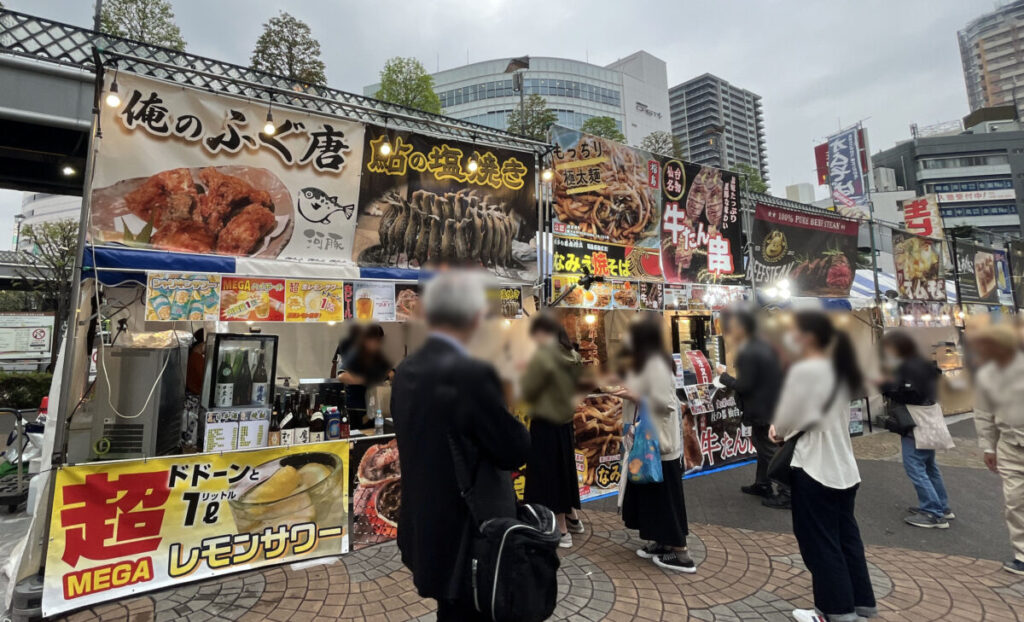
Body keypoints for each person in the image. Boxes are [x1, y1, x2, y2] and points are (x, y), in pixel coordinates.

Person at [390, 271, 530, 620]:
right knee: (476, 611)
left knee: (450, 610)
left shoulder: (406, 370)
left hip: (428, 525)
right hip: (471, 532)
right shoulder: (470, 372)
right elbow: (513, 448)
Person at [771, 311, 876, 622]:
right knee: (846, 538)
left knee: (820, 542)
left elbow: (789, 420)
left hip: (814, 467)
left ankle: (834, 612)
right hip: (844, 466)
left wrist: (776, 429)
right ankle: (860, 604)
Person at [614, 314, 695, 573]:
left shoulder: (656, 364)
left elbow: (667, 404)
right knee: (652, 495)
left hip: (660, 445)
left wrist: (630, 393)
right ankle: (662, 542)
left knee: (665, 497)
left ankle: (681, 553)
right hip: (647, 442)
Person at [521, 313, 584, 548]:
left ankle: (562, 530)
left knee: (549, 476)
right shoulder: (574, 356)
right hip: (565, 423)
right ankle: (573, 518)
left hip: (545, 423)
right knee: (565, 471)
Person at [878, 330, 952, 529]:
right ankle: (942, 506)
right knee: (929, 465)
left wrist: (885, 386)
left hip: (915, 421)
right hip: (929, 418)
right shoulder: (926, 364)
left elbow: (909, 393)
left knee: (915, 467)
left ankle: (933, 512)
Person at [716, 309, 786, 508]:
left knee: (768, 449)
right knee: (762, 445)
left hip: (760, 408)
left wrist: (723, 375)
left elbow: (745, 385)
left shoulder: (750, 350)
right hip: (768, 405)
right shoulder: (766, 347)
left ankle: (786, 490)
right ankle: (762, 484)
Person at [972, 323, 1024, 575]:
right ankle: (1022, 554)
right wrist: (988, 447)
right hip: (1010, 447)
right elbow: (983, 414)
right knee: (1014, 502)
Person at [337, 323, 393, 426]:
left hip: (377, 409)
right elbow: (342, 376)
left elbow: (392, 373)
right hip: (357, 409)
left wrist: (384, 376)